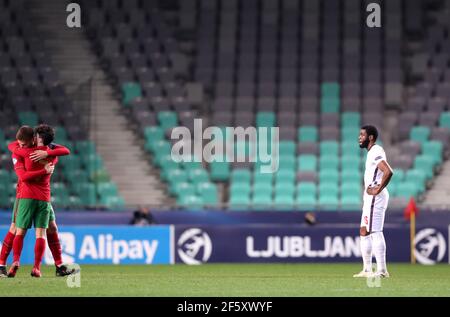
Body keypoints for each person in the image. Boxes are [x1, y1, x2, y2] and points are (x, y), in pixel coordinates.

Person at [1, 125, 74, 277]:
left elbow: (13, 147)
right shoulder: (48, 153)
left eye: (23, 143)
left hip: (33, 195)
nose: (20, 146)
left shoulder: (26, 152)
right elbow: (65, 151)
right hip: (34, 195)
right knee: (21, 229)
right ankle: (3, 265)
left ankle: (57, 266)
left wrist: (45, 152)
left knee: (47, 228)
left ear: (34, 139)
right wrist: (47, 157)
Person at [353, 125, 393, 278]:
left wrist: (378, 189)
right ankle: (367, 269)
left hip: (375, 197)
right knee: (364, 231)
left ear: (370, 137)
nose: (359, 137)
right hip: (369, 197)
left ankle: (382, 270)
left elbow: (388, 171)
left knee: (375, 232)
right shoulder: (371, 153)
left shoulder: (376, 151)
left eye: (362, 135)